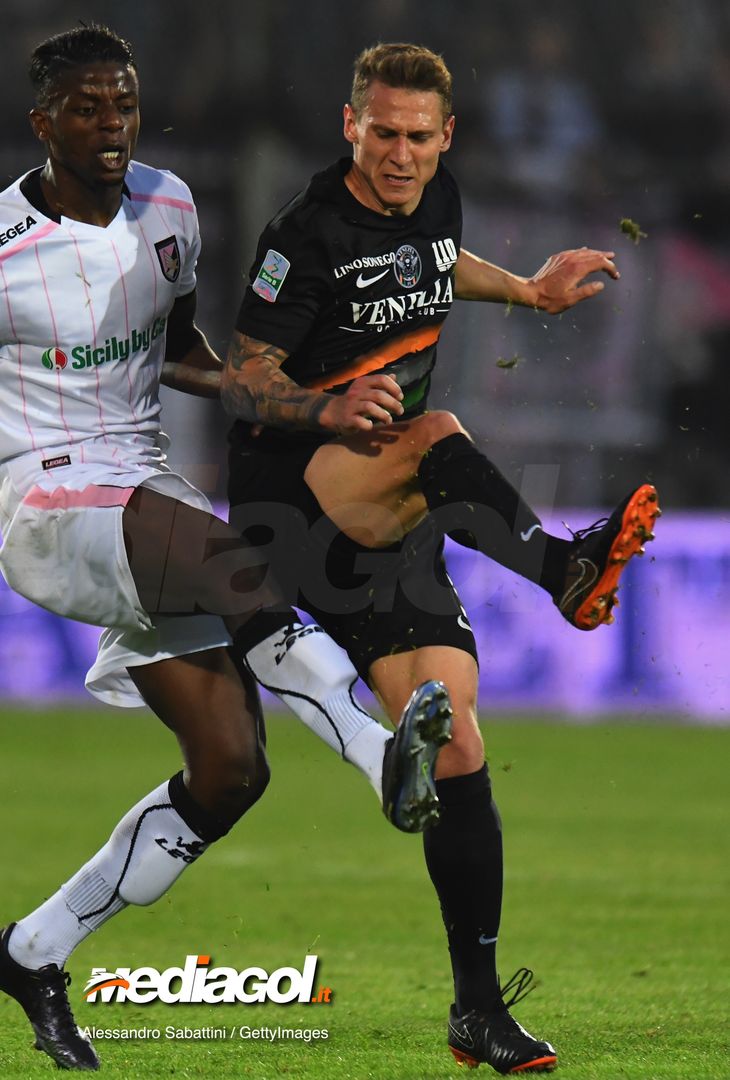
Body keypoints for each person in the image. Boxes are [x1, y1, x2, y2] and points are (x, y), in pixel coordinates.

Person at [0, 27, 453, 1072]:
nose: (109, 125)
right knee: (242, 567)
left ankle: (32, 951)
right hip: (47, 497)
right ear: (43, 123)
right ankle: (385, 758)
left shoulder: (168, 205)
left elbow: (183, 353)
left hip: (143, 484)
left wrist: (313, 407)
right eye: (84, 108)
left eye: (121, 104)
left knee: (229, 771)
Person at [220, 43, 660, 1074]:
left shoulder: (437, 199)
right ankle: (562, 571)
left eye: (420, 136)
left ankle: (476, 1014)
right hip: (297, 495)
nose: (401, 154)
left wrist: (529, 295)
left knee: (458, 750)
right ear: (350, 124)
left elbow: (437, 264)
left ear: (445, 136)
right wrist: (325, 404)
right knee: (436, 427)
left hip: (394, 506)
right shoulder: (303, 231)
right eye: (383, 133)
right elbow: (244, 372)